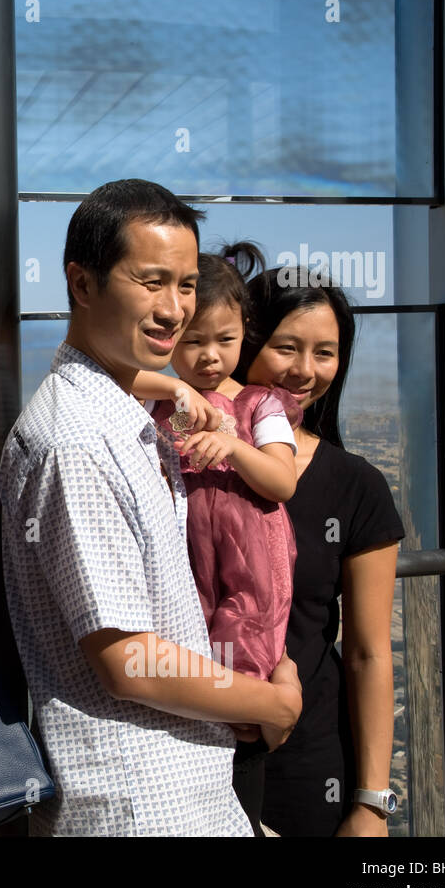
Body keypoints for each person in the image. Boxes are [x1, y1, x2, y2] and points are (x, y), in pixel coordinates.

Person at [0, 179, 303, 836]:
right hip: (136, 801)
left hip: (176, 791)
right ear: (82, 284)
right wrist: (269, 704)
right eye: (152, 281)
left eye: (187, 285)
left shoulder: (122, 417)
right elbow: (127, 659)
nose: (175, 309)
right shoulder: (75, 442)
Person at [131, 242, 302, 835]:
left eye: (224, 340)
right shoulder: (162, 404)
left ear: (244, 334)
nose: (208, 357)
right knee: (195, 667)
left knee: (246, 659)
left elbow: (282, 481)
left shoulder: (260, 405)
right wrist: (175, 394)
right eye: (193, 341)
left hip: (252, 565)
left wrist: (234, 446)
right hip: (188, 565)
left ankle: (247, 795)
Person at [235, 266, 404, 837]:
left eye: (325, 353)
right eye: (286, 347)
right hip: (191, 741)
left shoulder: (355, 486)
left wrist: (371, 803)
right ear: (246, 340)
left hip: (310, 759)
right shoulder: (193, 457)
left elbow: (367, 653)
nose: (305, 371)